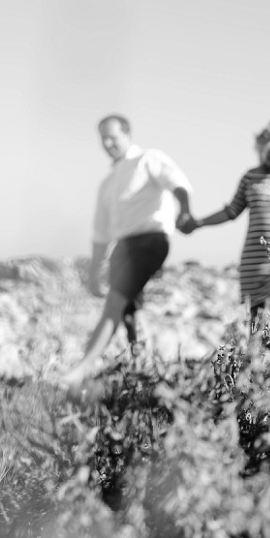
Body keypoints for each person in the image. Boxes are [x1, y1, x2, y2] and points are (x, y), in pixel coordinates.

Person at [61, 114, 194, 393]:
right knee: (130, 312)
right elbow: (100, 234)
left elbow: (177, 183)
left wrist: (185, 210)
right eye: (103, 139)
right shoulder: (107, 183)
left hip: (151, 240)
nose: (108, 143)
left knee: (114, 303)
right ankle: (143, 369)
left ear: (128, 134)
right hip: (122, 247)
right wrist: (94, 272)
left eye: (113, 137)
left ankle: (79, 372)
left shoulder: (149, 159)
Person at [180, 122, 270, 320]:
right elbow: (231, 211)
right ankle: (255, 353)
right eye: (268, 157)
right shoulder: (252, 176)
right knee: (257, 322)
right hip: (254, 261)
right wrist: (198, 223)